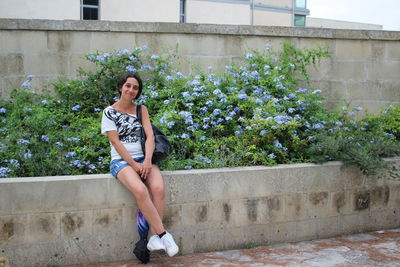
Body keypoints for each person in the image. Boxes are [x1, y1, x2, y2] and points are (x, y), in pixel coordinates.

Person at [101, 72, 179, 257]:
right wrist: (134, 166)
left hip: (144, 159)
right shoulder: (109, 112)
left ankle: (154, 238)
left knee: (158, 188)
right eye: (128, 86)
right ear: (121, 87)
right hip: (121, 162)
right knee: (141, 191)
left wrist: (147, 161)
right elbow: (116, 143)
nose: (131, 90)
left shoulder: (141, 109)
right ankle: (163, 233)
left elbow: (150, 136)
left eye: (135, 87)